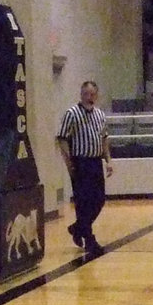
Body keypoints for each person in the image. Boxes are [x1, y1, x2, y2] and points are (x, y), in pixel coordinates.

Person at [56, 80, 112, 256]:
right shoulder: (72, 113)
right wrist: (69, 162)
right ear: (81, 95)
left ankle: (77, 228)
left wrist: (108, 160)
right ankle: (90, 240)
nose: (89, 97)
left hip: (95, 162)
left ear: (97, 95)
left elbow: (104, 138)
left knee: (99, 200)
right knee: (83, 202)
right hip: (80, 162)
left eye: (92, 94)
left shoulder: (100, 115)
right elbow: (62, 138)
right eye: (86, 94)